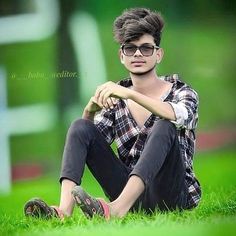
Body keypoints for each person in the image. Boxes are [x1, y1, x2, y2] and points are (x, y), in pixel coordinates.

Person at [24, 7, 201, 220]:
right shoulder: (115, 100)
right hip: (131, 196)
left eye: (146, 48)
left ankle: (115, 209)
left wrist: (129, 94)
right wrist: (90, 111)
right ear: (121, 55)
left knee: (165, 124)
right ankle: (63, 212)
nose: (137, 54)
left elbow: (176, 114)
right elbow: (87, 141)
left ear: (158, 54)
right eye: (130, 48)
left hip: (171, 195)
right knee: (79, 126)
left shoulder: (182, 91)